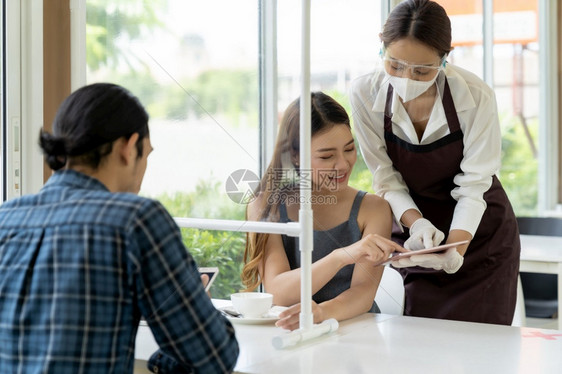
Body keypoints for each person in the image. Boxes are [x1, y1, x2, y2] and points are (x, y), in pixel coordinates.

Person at [0, 83, 239, 373]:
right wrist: (195, 300)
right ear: (128, 147)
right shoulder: (136, 220)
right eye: (147, 154)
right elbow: (214, 357)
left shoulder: (6, 218)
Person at [349, 0, 520, 325]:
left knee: (481, 351)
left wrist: (455, 248)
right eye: (395, 64)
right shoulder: (365, 93)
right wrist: (419, 224)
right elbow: (386, 179)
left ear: (445, 57)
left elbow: (474, 185)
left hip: (480, 236)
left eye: (422, 70)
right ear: (381, 45)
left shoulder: (474, 96)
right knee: (417, 345)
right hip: (417, 238)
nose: (407, 78)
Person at [242, 92, 407, 331]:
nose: (343, 164)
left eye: (349, 149)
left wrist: (321, 312)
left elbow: (363, 293)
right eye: (327, 155)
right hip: (289, 331)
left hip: (355, 330)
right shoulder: (265, 205)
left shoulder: (373, 208)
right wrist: (342, 256)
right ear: (295, 156)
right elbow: (278, 293)